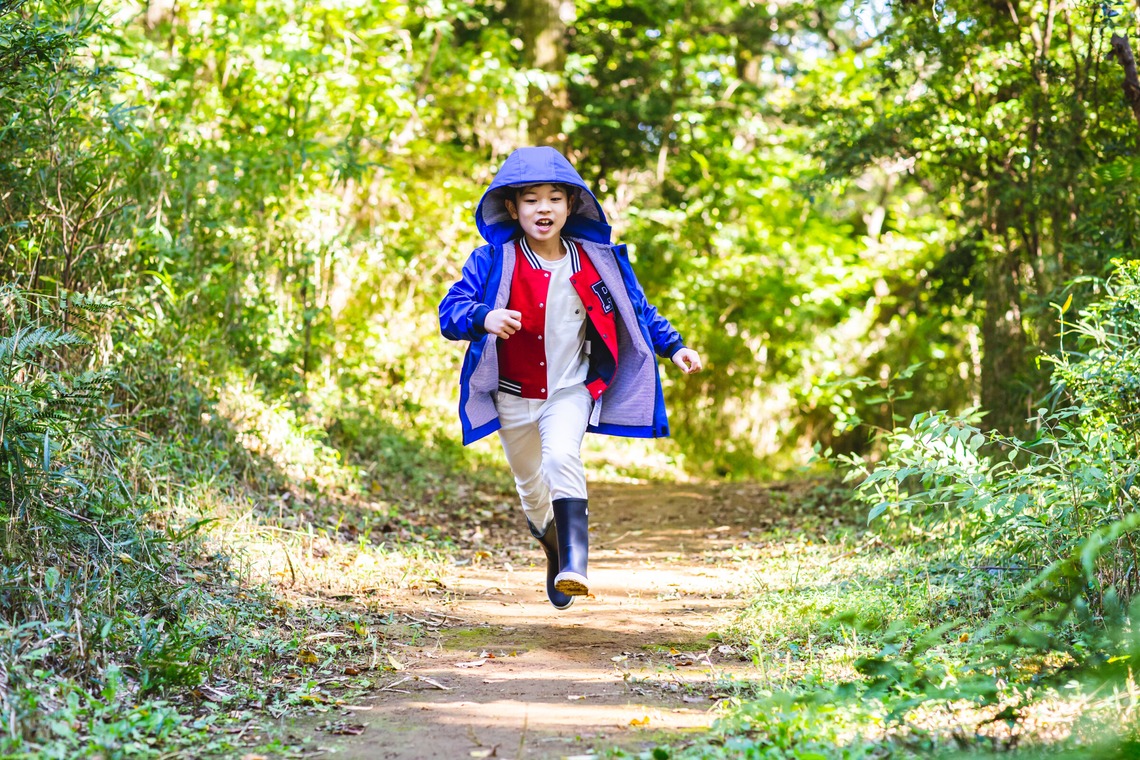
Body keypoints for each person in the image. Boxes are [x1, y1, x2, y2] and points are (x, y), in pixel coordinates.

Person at [439, 146, 702, 610]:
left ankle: (576, 564)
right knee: (531, 490)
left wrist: (675, 346)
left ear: (571, 205)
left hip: (571, 388)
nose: (543, 209)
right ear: (512, 208)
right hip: (512, 395)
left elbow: (638, 311)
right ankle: (555, 550)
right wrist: (484, 316)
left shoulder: (597, 261)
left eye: (555, 199)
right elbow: (451, 310)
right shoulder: (493, 259)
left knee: (562, 456)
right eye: (531, 200)